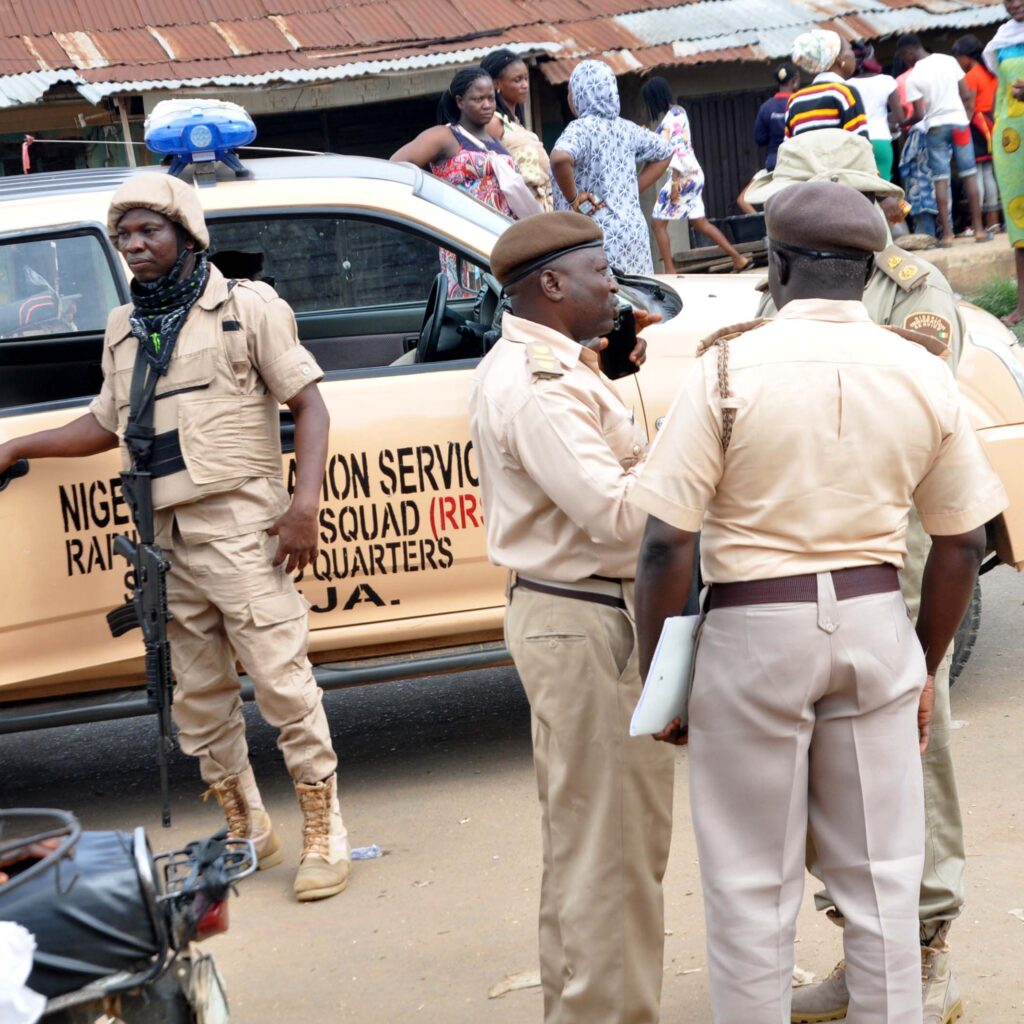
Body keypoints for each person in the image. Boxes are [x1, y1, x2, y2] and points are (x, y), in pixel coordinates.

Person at [630, 180, 1008, 1024]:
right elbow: (963, 541)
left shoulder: (726, 365)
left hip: (753, 634)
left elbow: (664, 544)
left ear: (779, 262)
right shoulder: (919, 369)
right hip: (876, 628)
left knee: (748, 890)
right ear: (873, 266)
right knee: (882, 884)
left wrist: (666, 676)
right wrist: (923, 662)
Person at [0, 175, 350, 903]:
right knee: (197, 696)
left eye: (148, 232)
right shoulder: (124, 328)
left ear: (186, 236)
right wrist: (17, 445)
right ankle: (247, 825)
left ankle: (325, 830)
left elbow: (309, 406)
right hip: (164, 542)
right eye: (124, 234)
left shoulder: (246, 307)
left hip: (243, 529)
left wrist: (303, 506)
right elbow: (104, 423)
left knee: (282, 683)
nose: (134, 246)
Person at [746, 128, 973, 1024]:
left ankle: (924, 948)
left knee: (916, 742)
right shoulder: (780, 282)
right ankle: (863, 946)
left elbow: (911, 413)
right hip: (799, 548)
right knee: (827, 763)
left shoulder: (916, 293)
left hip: (894, 543)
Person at [469, 211, 675, 1023]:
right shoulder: (541, 386)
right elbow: (622, 517)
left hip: (575, 612)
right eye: (601, 272)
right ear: (551, 286)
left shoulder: (558, 366)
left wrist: (611, 377)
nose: (615, 286)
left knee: (588, 844)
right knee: (615, 853)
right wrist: (693, 449)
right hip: (588, 618)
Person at [392, 67, 519, 295]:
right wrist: (429, 205)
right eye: (478, 99)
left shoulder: (493, 141)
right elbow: (395, 166)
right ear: (460, 101)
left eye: (491, 98)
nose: (488, 105)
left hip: (503, 248)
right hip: (467, 251)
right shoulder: (445, 137)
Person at [550, 60, 672, 275]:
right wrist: (632, 187)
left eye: (570, 90)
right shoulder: (626, 128)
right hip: (633, 234)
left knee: (603, 303)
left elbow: (560, 159)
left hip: (593, 237)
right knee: (638, 300)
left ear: (581, 94)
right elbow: (665, 152)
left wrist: (574, 198)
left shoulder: (580, 129)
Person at [641, 78, 751, 274]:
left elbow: (657, 146)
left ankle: (669, 271)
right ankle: (738, 258)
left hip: (682, 178)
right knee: (701, 223)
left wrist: (643, 135)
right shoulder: (679, 111)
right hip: (693, 174)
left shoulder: (669, 119)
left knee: (657, 223)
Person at [898, 34, 989, 246]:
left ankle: (947, 236)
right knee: (970, 174)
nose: (905, 61)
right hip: (959, 123)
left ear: (909, 52)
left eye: (904, 57)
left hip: (936, 127)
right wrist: (964, 118)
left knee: (940, 179)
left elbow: (919, 115)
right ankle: (979, 231)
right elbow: (966, 95)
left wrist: (903, 122)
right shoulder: (948, 61)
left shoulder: (914, 76)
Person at [984, 0, 1024, 325]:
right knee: (1021, 225)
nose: (1014, 3)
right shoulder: (1003, 39)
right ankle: (1023, 307)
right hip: (1014, 142)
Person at [481, 48, 553, 211]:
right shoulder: (494, 122)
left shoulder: (515, 122)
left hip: (539, 206)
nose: (525, 85)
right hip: (518, 209)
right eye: (517, 80)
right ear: (496, 84)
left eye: (526, 79)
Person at [737, 62, 801, 213]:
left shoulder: (766, 107)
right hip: (798, 162)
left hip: (774, 164)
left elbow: (760, 139)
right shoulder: (799, 103)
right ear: (795, 80)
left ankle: (767, 223)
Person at [953, 35, 1002, 233]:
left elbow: (970, 106)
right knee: (990, 172)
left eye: (958, 57)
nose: (957, 62)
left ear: (966, 57)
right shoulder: (989, 72)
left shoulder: (971, 76)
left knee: (977, 174)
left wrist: (961, 126)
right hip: (992, 123)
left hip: (977, 125)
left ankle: (979, 222)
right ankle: (994, 221)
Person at [785, 30, 869, 138]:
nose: (853, 54)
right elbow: (860, 144)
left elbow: (790, 147)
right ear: (839, 58)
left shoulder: (794, 101)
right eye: (850, 48)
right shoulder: (844, 94)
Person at [851, 40, 902, 179]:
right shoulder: (886, 81)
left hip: (857, 143)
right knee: (884, 191)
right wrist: (886, 119)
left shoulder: (846, 85)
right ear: (872, 57)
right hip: (881, 140)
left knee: (860, 192)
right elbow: (899, 117)